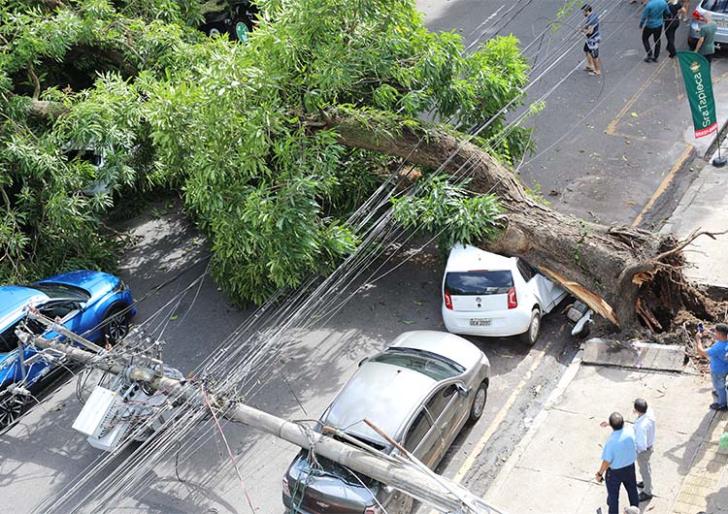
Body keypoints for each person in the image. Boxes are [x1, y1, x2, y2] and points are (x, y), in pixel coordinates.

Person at [596, 412, 640, 514]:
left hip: (615, 473)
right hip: (629, 468)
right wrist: (611, 424)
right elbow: (627, 426)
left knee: (613, 497)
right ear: (623, 423)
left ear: (612, 426)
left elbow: (606, 461)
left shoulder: (611, 442)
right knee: (632, 490)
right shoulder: (630, 432)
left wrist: (599, 474)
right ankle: (635, 511)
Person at [696, 323, 728, 410]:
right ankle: (722, 394)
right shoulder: (725, 340)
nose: (714, 333)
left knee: (719, 386)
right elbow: (719, 337)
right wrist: (708, 332)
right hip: (725, 368)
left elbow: (701, 352)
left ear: (720, 334)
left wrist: (698, 339)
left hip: (718, 371)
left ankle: (722, 404)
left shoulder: (717, 348)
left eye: (715, 332)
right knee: (721, 384)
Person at [633, 398, 656, 502]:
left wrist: (635, 451)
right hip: (650, 446)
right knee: (646, 467)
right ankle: (646, 482)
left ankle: (647, 492)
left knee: (644, 470)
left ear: (637, 410)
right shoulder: (649, 413)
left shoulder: (642, 427)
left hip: (644, 451)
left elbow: (641, 445)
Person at [581, 4, 602, 76]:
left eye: (583, 12)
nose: (583, 13)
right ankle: (590, 65)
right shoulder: (592, 15)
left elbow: (590, 31)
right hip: (589, 39)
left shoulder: (591, 19)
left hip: (593, 40)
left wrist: (582, 31)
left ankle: (597, 70)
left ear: (587, 11)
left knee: (594, 55)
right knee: (586, 50)